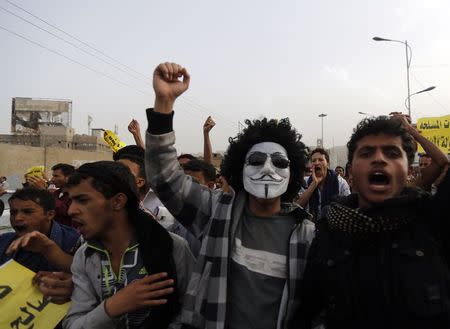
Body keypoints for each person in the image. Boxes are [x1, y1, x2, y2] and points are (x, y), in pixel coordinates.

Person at [146, 62, 315, 329]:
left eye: (280, 162)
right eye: (257, 160)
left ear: (293, 171)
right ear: (240, 167)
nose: (268, 169)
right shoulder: (215, 212)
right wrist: (164, 104)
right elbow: (165, 178)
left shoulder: (307, 236)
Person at [297, 115, 450, 329]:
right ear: (351, 171)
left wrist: (410, 130)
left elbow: (443, 163)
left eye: (392, 153)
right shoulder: (329, 231)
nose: (379, 158)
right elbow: (307, 311)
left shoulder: (431, 221)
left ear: (408, 170)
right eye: (367, 153)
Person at [63, 161, 195, 329]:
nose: (71, 210)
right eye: (71, 201)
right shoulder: (85, 255)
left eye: (82, 200)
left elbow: (193, 315)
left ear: (118, 201)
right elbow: (73, 324)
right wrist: (111, 307)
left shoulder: (173, 247)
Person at [0, 188, 80, 273]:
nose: (17, 218)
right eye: (13, 212)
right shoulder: (4, 241)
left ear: (50, 215)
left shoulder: (75, 243)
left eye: (28, 212)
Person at [296, 148, 351, 219]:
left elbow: (349, 208)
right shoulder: (306, 182)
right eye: (314, 161)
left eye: (321, 160)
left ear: (327, 163)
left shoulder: (341, 183)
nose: (316, 163)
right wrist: (314, 184)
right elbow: (297, 207)